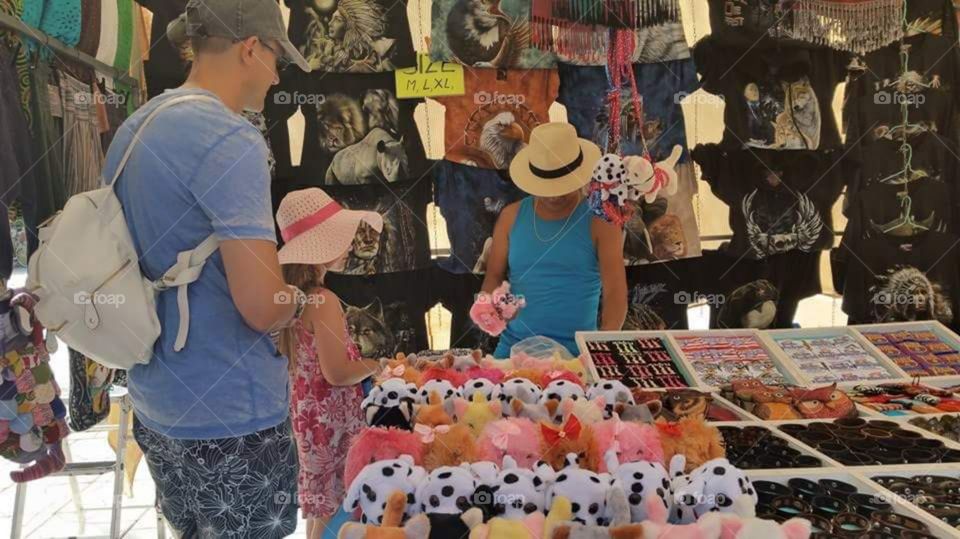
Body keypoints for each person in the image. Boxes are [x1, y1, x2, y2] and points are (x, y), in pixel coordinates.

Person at [104, 1, 312, 536]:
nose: (277, 76)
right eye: (276, 59)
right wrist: (300, 301)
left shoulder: (137, 126)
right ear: (251, 48)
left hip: (156, 400)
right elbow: (261, 305)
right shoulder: (230, 138)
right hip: (231, 409)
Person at [275, 188, 382, 538]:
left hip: (308, 417)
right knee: (334, 501)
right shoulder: (324, 300)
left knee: (319, 503)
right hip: (331, 422)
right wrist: (375, 364)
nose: (349, 245)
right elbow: (336, 373)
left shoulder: (291, 297)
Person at [482, 123, 628, 358]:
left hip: (578, 354)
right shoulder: (510, 216)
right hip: (513, 351)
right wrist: (489, 308)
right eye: (546, 187)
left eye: (562, 186)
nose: (555, 195)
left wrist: (600, 350)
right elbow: (493, 276)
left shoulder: (601, 221)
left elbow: (615, 292)